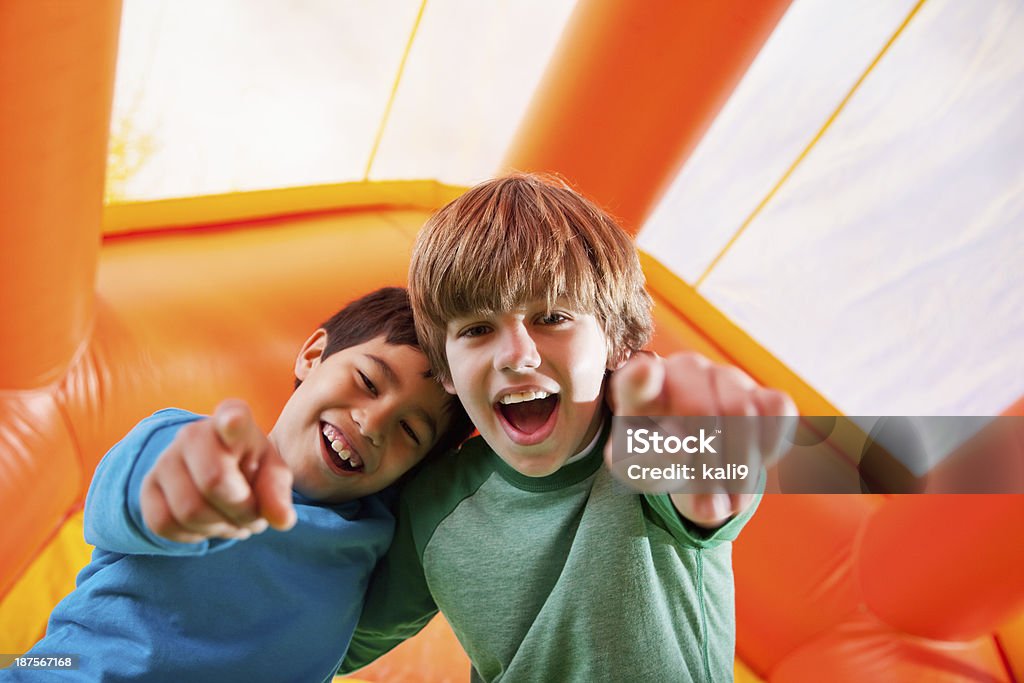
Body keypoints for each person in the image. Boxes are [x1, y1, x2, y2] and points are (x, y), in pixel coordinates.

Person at [339, 175, 797, 681]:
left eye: (552, 317)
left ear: (617, 340)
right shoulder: (433, 505)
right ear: (446, 369)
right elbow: (339, 643)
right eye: (477, 330)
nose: (516, 355)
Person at [3, 287, 473, 683]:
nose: (372, 424)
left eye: (410, 432)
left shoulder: (376, 540)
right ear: (312, 356)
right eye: (368, 381)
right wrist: (180, 491)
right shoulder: (198, 445)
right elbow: (127, 490)